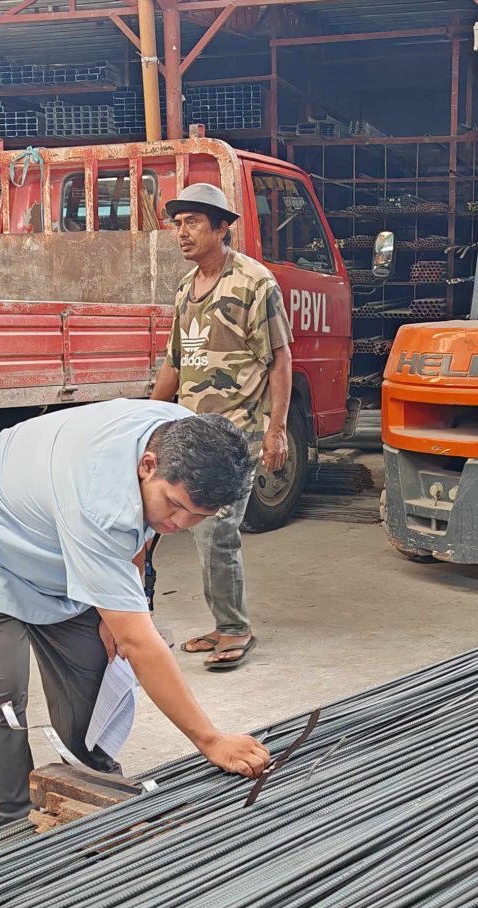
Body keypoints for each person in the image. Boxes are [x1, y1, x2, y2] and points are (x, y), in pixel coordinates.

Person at [0, 399, 270, 830]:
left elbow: (140, 529)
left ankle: (90, 784)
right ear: (148, 465)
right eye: (174, 505)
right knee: (1, 701)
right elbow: (138, 641)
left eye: (198, 516)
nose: (180, 523)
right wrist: (210, 740)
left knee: (92, 668)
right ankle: (9, 827)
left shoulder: (190, 438)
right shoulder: (99, 498)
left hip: (53, 535)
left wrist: (122, 601)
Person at [151, 183, 294, 671]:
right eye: (178, 223)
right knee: (200, 531)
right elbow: (173, 363)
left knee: (217, 531)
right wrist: (148, 420)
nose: (182, 232)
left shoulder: (255, 283)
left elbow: (279, 357)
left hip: (239, 434)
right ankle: (224, 623)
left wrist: (276, 428)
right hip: (193, 435)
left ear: (221, 227)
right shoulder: (185, 289)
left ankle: (234, 628)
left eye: (193, 222)